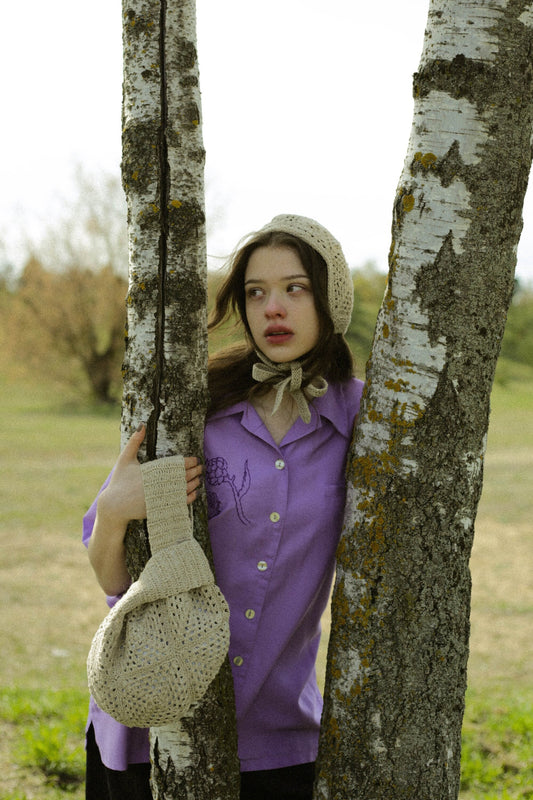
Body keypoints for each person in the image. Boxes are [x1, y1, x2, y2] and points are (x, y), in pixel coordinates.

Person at [83, 214, 364, 800]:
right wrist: (112, 512)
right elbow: (116, 581)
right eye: (256, 293)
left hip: (277, 738)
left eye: (296, 288)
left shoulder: (365, 422)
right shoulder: (197, 406)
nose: (273, 309)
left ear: (331, 299)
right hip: (149, 722)